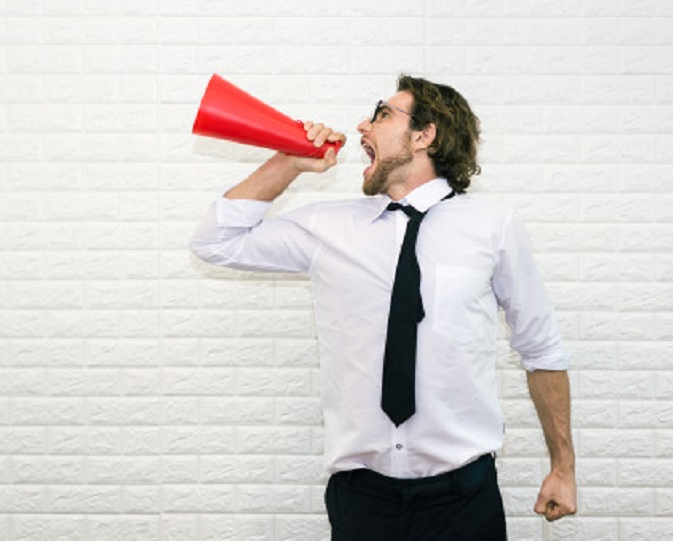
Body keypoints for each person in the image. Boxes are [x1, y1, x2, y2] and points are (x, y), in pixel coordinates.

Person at [190, 75, 576, 540]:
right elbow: (215, 243)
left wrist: (563, 467)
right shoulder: (325, 227)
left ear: (424, 135)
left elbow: (542, 352)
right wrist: (288, 163)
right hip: (361, 502)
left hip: (463, 499)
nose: (362, 126)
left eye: (382, 114)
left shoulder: (493, 227)